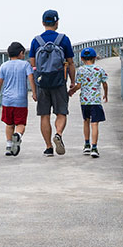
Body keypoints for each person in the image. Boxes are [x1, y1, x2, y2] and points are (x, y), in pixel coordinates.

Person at [29, 9, 75, 157]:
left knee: (44, 115)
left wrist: (34, 89)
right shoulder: (64, 39)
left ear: (43, 23)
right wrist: (72, 82)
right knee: (61, 112)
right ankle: (59, 134)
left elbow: (33, 65)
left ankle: (48, 147)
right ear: (57, 22)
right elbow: (71, 62)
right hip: (59, 81)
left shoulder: (36, 41)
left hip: (42, 83)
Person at [0, 42, 37, 156]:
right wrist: (34, 92)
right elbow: (31, 78)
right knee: (20, 123)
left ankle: (8, 146)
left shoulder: (4, 66)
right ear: (20, 53)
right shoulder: (25, 65)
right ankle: (18, 136)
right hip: (20, 100)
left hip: (7, 100)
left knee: (9, 124)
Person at [68, 47, 108, 158]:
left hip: (84, 101)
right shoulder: (99, 69)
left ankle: (86, 145)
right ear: (95, 58)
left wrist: (72, 91)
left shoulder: (80, 70)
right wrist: (105, 94)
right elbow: (104, 83)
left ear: (81, 58)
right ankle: (94, 147)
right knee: (94, 123)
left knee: (86, 121)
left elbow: (79, 86)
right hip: (95, 101)